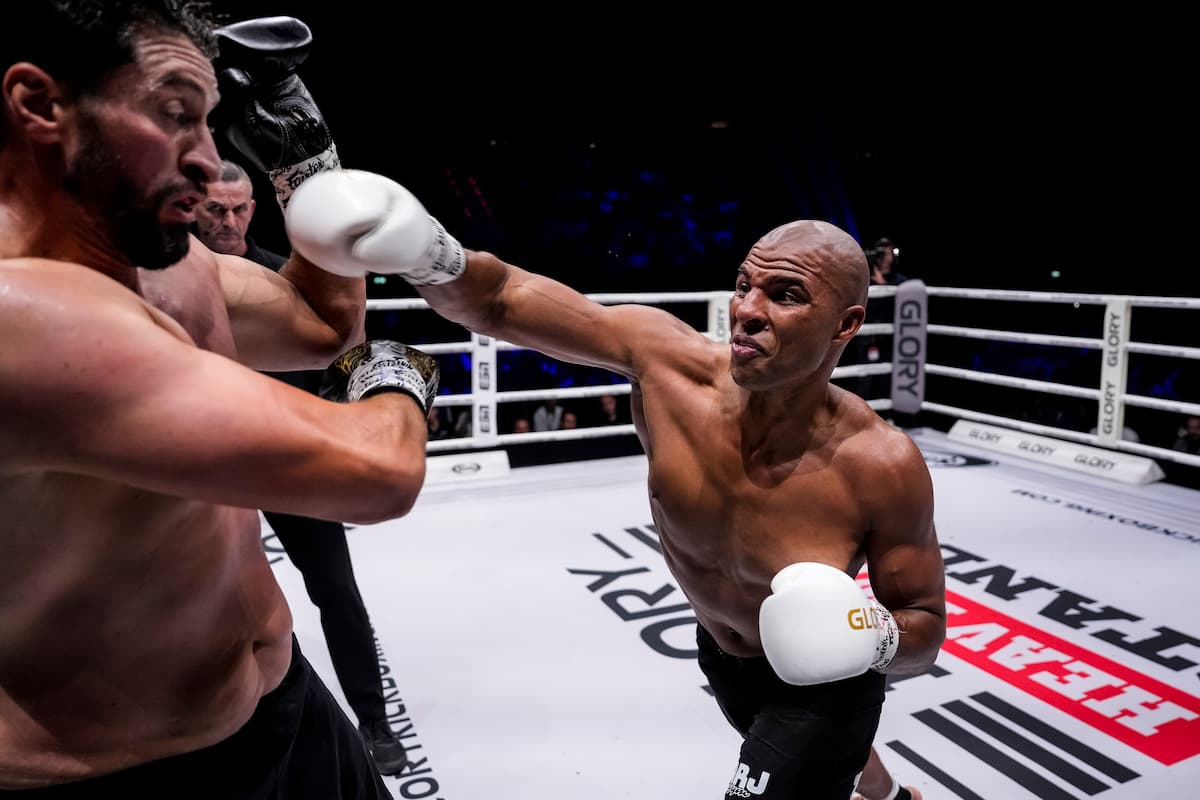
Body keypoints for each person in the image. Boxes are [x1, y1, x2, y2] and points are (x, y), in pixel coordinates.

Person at [285, 172, 948, 799]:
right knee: (799, 750)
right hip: (723, 654)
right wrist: (430, 253)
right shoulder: (669, 370)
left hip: (827, 690)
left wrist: (870, 636)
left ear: (846, 324)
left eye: (785, 295)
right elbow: (503, 299)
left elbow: (924, 628)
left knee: (795, 753)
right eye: (744, 284)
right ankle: (890, 794)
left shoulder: (880, 464)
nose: (746, 310)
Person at [0, 6, 439, 796]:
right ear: (38, 106)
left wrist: (310, 164)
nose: (208, 161)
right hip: (129, 770)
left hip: (279, 696)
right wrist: (401, 372)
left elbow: (321, 324)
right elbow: (378, 471)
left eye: (210, 123)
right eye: (175, 117)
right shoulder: (22, 316)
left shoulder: (166, 260)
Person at [193, 159, 409, 775]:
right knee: (204, 593)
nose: (228, 220)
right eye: (215, 209)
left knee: (336, 588)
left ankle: (375, 720)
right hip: (201, 463)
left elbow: (338, 356)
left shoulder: (276, 279)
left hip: (281, 453)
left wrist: (341, 444)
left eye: (238, 208)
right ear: (192, 205)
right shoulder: (168, 275)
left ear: (254, 209)